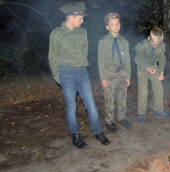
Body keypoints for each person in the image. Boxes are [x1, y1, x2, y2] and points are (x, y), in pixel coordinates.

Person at [48, 1, 110, 148]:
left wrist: (82, 66)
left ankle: (98, 132)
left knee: (91, 105)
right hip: (66, 73)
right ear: (70, 16)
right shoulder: (57, 34)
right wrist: (58, 78)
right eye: (80, 18)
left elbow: (85, 52)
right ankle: (75, 135)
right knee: (71, 106)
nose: (83, 21)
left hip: (82, 72)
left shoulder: (83, 32)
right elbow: (53, 57)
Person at [98, 13, 131, 132]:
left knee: (122, 97)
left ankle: (122, 117)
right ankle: (109, 121)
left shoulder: (124, 41)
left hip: (122, 73)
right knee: (109, 99)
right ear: (107, 27)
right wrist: (103, 78)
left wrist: (128, 76)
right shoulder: (103, 41)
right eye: (112, 24)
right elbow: (100, 61)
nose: (115, 26)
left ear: (120, 25)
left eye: (117, 24)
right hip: (109, 73)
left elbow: (127, 59)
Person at [134, 28, 170, 122]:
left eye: (157, 44)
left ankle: (159, 109)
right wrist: (146, 68)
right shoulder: (142, 45)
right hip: (142, 67)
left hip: (154, 66)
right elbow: (137, 60)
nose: (155, 45)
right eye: (153, 43)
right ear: (149, 38)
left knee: (159, 88)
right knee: (143, 91)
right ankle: (141, 113)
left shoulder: (162, 46)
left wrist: (161, 73)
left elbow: (162, 59)